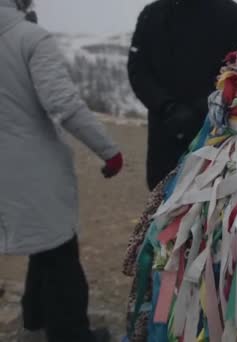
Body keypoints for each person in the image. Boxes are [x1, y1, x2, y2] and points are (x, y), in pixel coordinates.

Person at [0, 0, 123, 341]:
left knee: (45, 244)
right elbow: (62, 103)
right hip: (31, 167)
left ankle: (36, 316)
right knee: (60, 251)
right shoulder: (30, 37)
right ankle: (70, 333)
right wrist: (108, 151)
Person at [128, 0, 237, 191]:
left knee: (214, 203)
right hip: (166, 136)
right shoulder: (152, 15)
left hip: (216, 134)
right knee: (162, 203)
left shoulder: (230, 14)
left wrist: (204, 109)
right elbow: (139, 71)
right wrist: (167, 107)